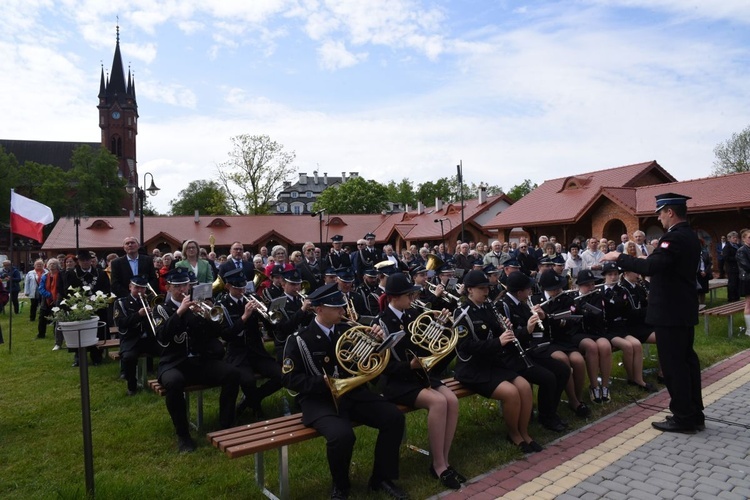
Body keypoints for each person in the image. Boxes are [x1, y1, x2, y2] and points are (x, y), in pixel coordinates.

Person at [281, 282, 407, 500]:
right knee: (342, 435)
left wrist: (377, 345)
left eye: (342, 306)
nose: (343, 311)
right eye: (337, 307)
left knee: (394, 417)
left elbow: (368, 368)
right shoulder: (299, 339)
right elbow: (290, 379)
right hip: (319, 401)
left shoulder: (349, 332)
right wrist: (322, 382)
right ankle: (341, 487)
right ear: (319, 309)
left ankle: (382, 478)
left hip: (353, 394)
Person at [603, 192, 704, 433]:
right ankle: (693, 412)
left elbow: (650, 266)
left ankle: (683, 417)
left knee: (674, 365)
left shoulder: (674, 238)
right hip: (681, 310)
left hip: (670, 312)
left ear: (670, 211)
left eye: (660, 213)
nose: (659, 218)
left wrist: (620, 257)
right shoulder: (689, 235)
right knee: (687, 361)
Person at [377, 273, 464, 490]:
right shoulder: (382, 322)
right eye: (410, 294)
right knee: (439, 402)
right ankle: (438, 465)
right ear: (395, 297)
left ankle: (444, 460)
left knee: (452, 400)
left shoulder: (413, 313)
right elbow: (381, 367)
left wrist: (439, 326)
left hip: (419, 376)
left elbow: (426, 345)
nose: (414, 297)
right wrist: (410, 366)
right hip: (397, 382)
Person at [453, 270, 542, 454]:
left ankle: (524, 432)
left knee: (524, 387)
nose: (486, 292)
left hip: (493, 364)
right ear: (469, 290)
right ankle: (514, 434)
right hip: (473, 368)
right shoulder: (461, 312)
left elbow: (504, 335)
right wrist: (498, 342)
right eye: (481, 289)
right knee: (511, 393)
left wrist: (523, 330)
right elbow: (465, 346)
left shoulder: (489, 308)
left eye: (487, 288)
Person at [154, 268, 241, 452]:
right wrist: (180, 312)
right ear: (168, 287)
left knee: (232, 373)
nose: (182, 289)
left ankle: (226, 424)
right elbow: (162, 336)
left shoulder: (198, 306)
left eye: (185, 285)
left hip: (199, 361)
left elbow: (217, 333)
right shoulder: (162, 308)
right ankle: (183, 436)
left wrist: (209, 315)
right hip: (173, 362)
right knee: (174, 383)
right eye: (177, 286)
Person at [499, 271, 571, 432]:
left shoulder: (523, 303)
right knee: (548, 378)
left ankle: (550, 412)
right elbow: (507, 337)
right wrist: (528, 329)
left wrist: (542, 317)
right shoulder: (503, 306)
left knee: (563, 370)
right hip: (511, 357)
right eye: (528, 289)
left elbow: (537, 331)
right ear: (519, 292)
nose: (531, 292)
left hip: (529, 351)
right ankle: (546, 417)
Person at [218, 268, 283, 418]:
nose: (241, 290)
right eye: (237, 287)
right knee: (248, 381)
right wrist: (244, 317)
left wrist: (268, 316)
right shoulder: (223, 305)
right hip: (237, 353)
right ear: (228, 286)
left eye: (243, 286)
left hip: (256, 351)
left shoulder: (253, 298)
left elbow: (270, 326)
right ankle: (255, 406)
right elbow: (226, 335)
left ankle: (252, 399)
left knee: (281, 376)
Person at [600, 262, 655, 392]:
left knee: (636, 344)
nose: (613, 277)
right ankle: (631, 378)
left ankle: (638, 379)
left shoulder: (622, 290)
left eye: (615, 274)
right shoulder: (599, 291)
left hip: (620, 327)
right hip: (607, 329)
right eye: (610, 275)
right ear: (604, 276)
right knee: (628, 346)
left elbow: (621, 308)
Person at [113, 275, 162, 395]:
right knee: (129, 357)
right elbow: (120, 323)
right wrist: (138, 315)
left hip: (149, 339)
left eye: (142, 288)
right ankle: (132, 385)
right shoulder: (121, 303)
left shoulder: (150, 301)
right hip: (131, 339)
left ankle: (163, 379)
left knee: (167, 350)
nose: (140, 291)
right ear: (130, 287)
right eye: (137, 288)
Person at [63, 250, 111, 367]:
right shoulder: (71, 274)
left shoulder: (101, 273)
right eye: (82, 260)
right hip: (79, 308)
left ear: (91, 260)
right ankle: (79, 357)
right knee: (80, 331)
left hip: (98, 307)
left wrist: (97, 299)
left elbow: (107, 289)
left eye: (87, 260)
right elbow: (67, 291)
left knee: (97, 331)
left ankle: (97, 356)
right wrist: (80, 302)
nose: (85, 262)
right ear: (78, 262)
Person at [38, 258, 64, 345]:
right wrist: (49, 295)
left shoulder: (60, 275)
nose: (52, 265)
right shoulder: (45, 276)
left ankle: (56, 335)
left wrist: (56, 297)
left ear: (57, 265)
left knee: (56, 317)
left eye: (54, 264)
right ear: (47, 265)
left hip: (58, 299)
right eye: (50, 264)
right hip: (46, 300)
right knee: (42, 317)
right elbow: (41, 288)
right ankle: (41, 334)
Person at [735, 228, 750, 335]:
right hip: (747, 280)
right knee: (748, 303)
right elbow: (746, 266)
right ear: (744, 239)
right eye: (749, 237)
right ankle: (749, 330)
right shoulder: (741, 251)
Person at [724, 231, 741, 302]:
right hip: (731, 268)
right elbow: (726, 258)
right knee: (732, 283)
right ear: (729, 239)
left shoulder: (738, 246)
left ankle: (737, 297)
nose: (735, 239)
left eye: (736, 237)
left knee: (738, 283)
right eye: (734, 238)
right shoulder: (727, 247)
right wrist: (736, 258)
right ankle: (731, 298)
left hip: (738, 268)